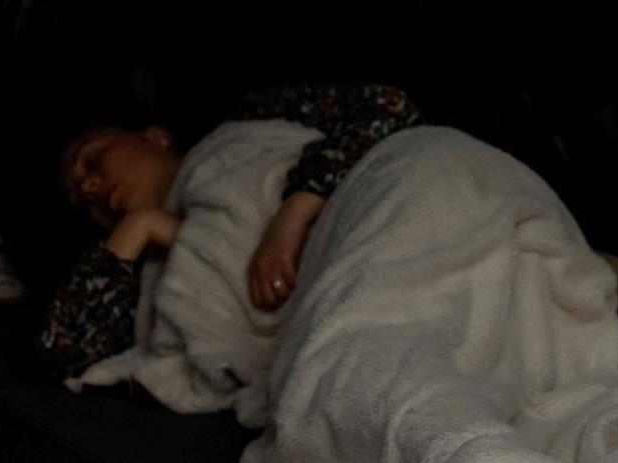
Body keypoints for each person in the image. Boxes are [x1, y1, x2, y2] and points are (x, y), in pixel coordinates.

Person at [38, 82, 423, 379]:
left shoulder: (248, 126)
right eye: (79, 200)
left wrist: (296, 207)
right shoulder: (144, 282)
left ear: (155, 136)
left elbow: (387, 106)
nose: (88, 188)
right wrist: (143, 228)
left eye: (91, 160)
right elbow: (62, 352)